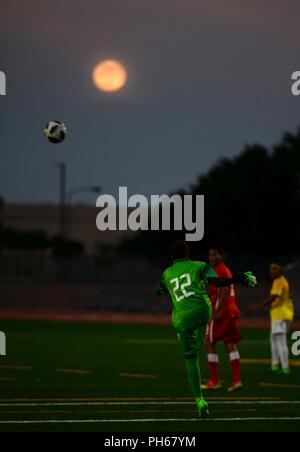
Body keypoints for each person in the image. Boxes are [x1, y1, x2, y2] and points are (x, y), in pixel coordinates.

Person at [157, 241, 257, 418]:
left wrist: (165, 287)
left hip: (185, 319)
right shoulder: (201, 265)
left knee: (191, 356)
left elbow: (159, 290)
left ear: (172, 257)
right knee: (219, 341)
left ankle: (200, 399)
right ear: (188, 253)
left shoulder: (167, 272)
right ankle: (222, 379)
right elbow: (217, 282)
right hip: (204, 311)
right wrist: (239, 278)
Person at [202, 248, 242, 392]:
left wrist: (217, 310)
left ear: (221, 256)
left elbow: (224, 290)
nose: (211, 257)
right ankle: (236, 380)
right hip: (230, 310)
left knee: (209, 342)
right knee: (228, 343)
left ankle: (214, 380)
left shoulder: (220, 270)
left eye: (214, 254)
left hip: (221, 312)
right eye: (210, 254)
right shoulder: (222, 270)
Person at [250, 263, 294, 374]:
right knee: (274, 339)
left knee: (280, 341)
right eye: (270, 270)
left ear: (279, 271)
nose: (271, 272)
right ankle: (275, 365)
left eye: (274, 270)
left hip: (280, 315)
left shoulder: (278, 281)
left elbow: (274, 297)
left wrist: (257, 306)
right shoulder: (283, 280)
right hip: (281, 314)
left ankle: (285, 368)